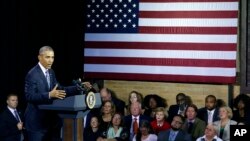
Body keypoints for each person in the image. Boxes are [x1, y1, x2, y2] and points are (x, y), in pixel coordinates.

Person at [24, 46, 91, 141]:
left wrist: (78, 88)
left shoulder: (51, 72)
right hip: (36, 123)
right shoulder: (32, 74)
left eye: (52, 57)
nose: (51, 60)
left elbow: (60, 89)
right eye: (47, 57)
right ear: (39, 57)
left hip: (49, 121)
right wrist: (49, 95)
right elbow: (29, 96)